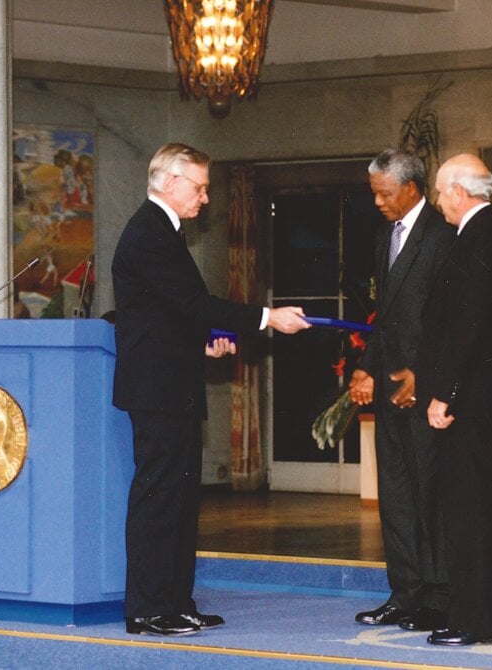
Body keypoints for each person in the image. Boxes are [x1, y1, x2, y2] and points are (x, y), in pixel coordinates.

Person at [111, 143, 310, 637]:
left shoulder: (164, 231)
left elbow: (167, 314)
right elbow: (193, 303)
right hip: (157, 391)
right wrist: (267, 317)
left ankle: (175, 603)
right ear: (170, 183)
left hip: (170, 381)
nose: (205, 199)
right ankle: (149, 609)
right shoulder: (149, 234)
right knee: (160, 498)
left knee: (179, 498)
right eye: (199, 188)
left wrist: (200, 347)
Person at [415, 154, 492, 646]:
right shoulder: (488, 234)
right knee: (466, 509)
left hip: (472, 399)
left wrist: (445, 395)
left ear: (459, 192)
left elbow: (470, 329)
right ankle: (468, 614)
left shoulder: (484, 237)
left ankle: (475, 622)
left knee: (471, 510)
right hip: (478, 396)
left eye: (440, 193)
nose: (439, 203)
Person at [348, 148, 455, 633]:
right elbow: (385, 317)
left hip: (424, 392)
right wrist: (366, 368)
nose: (377, 202)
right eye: (374, 193)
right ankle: (405, 594)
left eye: (383, 193)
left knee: (432, 495)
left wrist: (426, 377)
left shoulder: (442, 237)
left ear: (411, 188)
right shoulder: (383, 236)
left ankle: (439, 597)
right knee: (395, 496)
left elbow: (447, 321)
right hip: (389, 389)